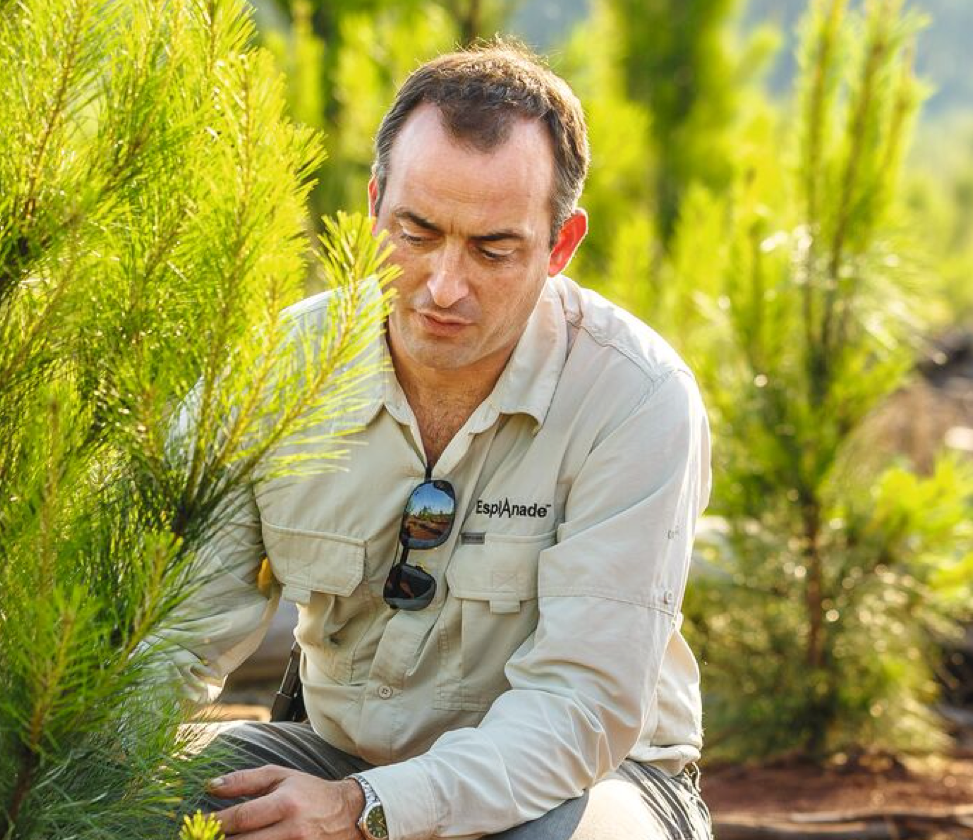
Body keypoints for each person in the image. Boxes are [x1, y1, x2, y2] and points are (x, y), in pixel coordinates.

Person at [158, 40, 713, 840]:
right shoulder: (276, 369)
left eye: (493, 249)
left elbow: (580, 708)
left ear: (560, 246)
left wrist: (366, 812)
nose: (444, 288)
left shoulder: (638, 398)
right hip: (334, 755)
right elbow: (169, 641)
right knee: (118, 802)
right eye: (415, 234)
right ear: (376, 202)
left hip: (589, 779)